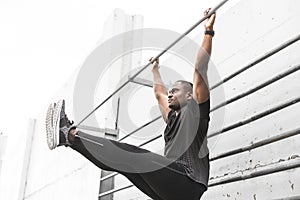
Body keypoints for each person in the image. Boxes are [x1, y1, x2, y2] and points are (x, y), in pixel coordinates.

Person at [46, 9, 216, 200]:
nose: (170, 93)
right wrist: (155, 70)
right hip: (174, 189)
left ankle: (69, 134)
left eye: (175, 91)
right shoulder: (172, 120)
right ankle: (69, 140)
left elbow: (200, 69)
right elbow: (159, 93)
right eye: (171, 90)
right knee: (124, 162)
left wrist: (208, 32)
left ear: (189, 96)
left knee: (134, 155)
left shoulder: (196, 112)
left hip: (189, 180)